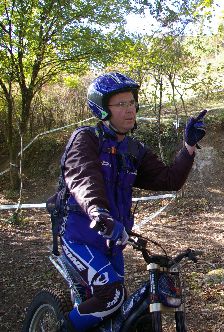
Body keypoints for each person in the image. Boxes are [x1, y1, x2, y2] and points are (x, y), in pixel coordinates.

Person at [59, 72, 206, 331]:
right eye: (121, 104)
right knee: (111, 296)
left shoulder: (134, 150)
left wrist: (188, 148)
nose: (130, 110)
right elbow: (82, 177)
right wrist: (98, 212)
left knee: (120, 311)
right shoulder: (86, 139)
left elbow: (169, 179)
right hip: (80, 235)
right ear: (103, 109)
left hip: (113, 240)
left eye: (132, 103)